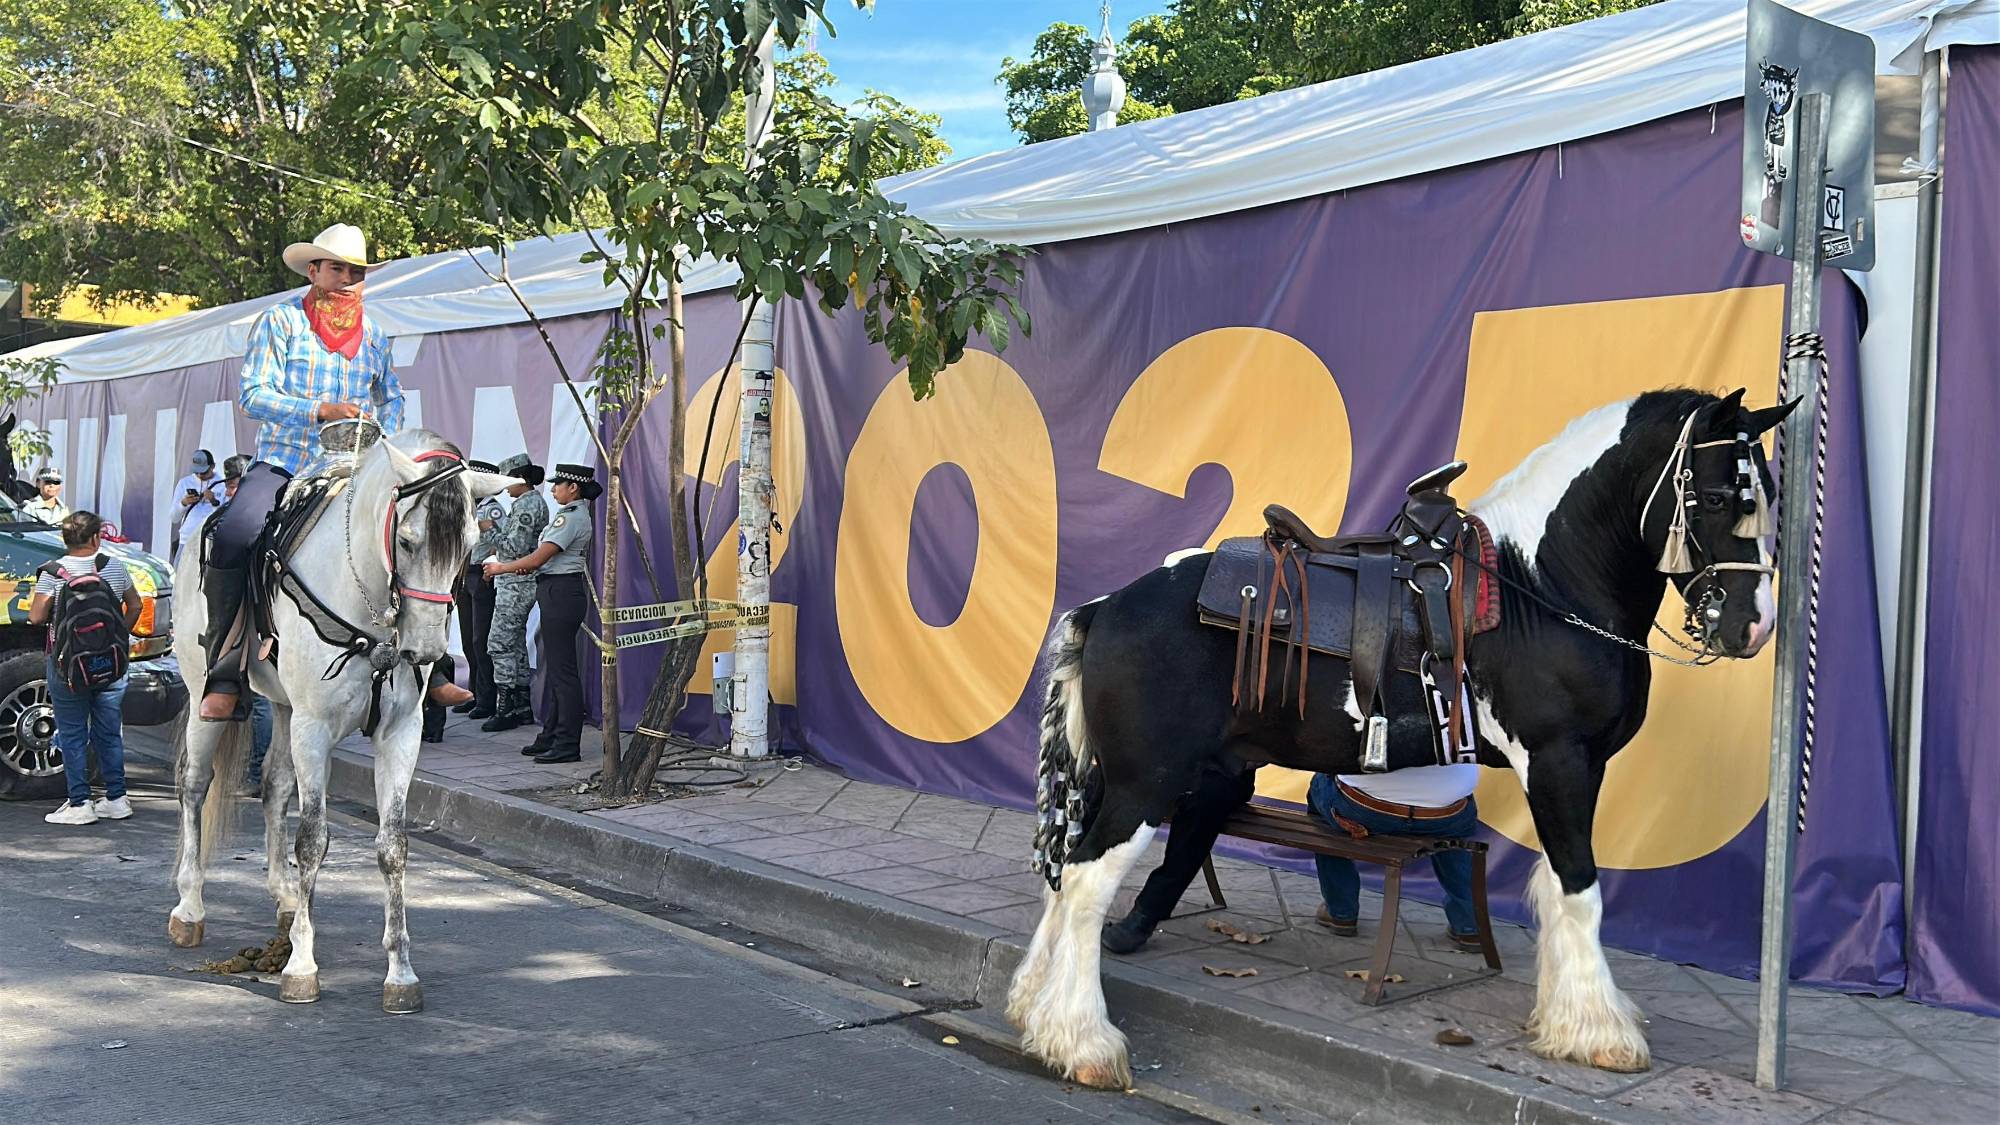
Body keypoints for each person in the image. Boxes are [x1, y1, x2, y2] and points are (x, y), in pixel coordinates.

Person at [198, 223, 403, 722]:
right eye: (337, 268)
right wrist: (319, 410)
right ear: (314, 270)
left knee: (415, 531)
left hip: (357, 468)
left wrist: (384, 430)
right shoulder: (280, 321)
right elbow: (253, 395)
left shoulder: (374, 334)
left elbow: (391, 394)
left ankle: (425, 664)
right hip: (287, 463)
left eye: (356, 271)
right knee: (234, 534)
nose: (347, 279)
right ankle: (223, 669)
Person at [31, 511, 143, 825]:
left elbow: (36, 617)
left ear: (64, 539)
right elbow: (135, 605)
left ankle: (80, 803)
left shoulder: (54, 572)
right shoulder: (114, 567)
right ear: (96, 538)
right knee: (109, 731)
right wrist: (119, 635)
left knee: (72, 733)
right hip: (111, 662)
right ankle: (117, 799)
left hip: (68, 665)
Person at [1306, 765, 1485, 951]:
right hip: (1447, 813)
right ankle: (1470, 925)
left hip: (1365, 809)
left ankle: (1341, 912)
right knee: (1454, 831)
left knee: (1321, 787)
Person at [488, 463, 596, 764]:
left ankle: (567, 743)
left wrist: (501, 568)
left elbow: (538, 558)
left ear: (572, 487)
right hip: (554, 591)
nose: (553, 489)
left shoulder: (573, 518)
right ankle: (551, 734)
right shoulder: (567, 515)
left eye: (558, 484)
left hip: (562, 592)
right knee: (555, 670)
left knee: (563, 673)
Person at [480, 453, 546, 733]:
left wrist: (489, 531)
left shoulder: (527, 505)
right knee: (515, 644)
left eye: (509, 482)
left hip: (516, 584)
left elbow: (516, 547)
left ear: (521, 479)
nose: (506, 488)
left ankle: (505, 708)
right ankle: (521, 707)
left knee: (499, 644)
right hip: (514, 580)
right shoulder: (528, 503)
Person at [455, 459, 505, 720]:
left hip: (481, 576)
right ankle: (474, 693)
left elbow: (503, 543)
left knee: (481, 640)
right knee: (467, 640)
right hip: (465, 576)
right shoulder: (470, 508)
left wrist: (493, 566)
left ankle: (487, 699)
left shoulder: (492, 510)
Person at [173, 450, 228, 562]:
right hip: (187, 538)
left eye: (203, 472)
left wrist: (213, 501)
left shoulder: (222, 484)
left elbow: (226, 516)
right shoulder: (184, 483)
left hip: (209, 540)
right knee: (179, 576)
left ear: (212, 466)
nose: (199, 475)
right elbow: (174, 518)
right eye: (196, 472)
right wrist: (183, 503)